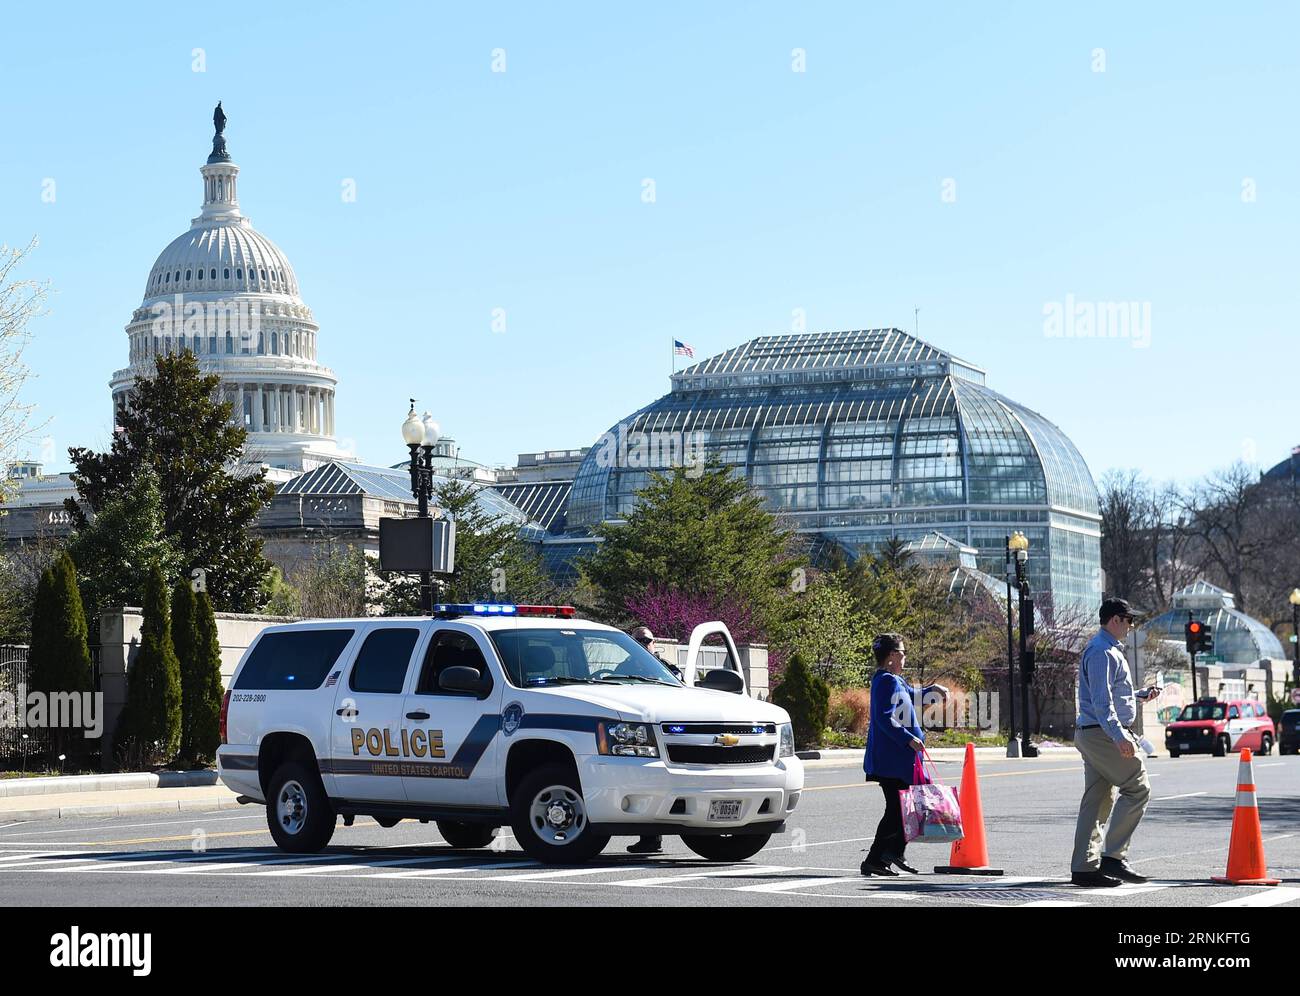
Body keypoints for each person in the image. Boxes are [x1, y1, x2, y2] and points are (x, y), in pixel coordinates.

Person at [1070, 597, 1160, 887]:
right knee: (1138, 787)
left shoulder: (1107, 650)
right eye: (1129, 620)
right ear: (1115, 620)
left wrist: (1137, 695)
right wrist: (1119, 736)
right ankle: (1113, 857)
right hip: (1103, 733)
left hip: (1096, 731)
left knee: (1097, 799)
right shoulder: (1101, 651)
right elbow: (1101, 701)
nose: (1131, 626)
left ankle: (1084, 868)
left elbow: (1109, 696)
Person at [862, 633, 948, 876]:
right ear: (891, 656)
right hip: (891, 761)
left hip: (900, 761)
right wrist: (908, 738)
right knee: (896, 811)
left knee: (904, 809)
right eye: (901, 652)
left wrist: (934, 689)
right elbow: (883, 718)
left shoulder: (893, 680)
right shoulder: (885, 681)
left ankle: (891, 854)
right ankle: (878, 859)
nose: (904, 656)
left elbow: (912, 695)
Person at [626, 625, 676, 855]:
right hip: (642, 736)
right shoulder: (621, 669)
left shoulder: (669, 670)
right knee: (645, 785)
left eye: (647, 641)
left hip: (671, 734)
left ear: (655, 643)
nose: (644, 645)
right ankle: (650, 838)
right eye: (638, 640)